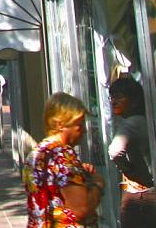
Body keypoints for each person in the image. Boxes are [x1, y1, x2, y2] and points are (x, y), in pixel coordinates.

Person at [24, 92, 105, 227]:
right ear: (60, 125)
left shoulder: (36, 153)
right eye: (79, 125)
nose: (84, 131)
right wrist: (98, 183)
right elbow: (81, 208)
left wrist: (80, 174)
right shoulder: (63, 155)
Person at [108, 77, 156, 227]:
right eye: (112, 97)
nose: (114, 101)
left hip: (139, 194)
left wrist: (131, 173)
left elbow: (115, 151)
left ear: (134, 100)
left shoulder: (131, 123)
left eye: (119, 97)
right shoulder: (144, 121)